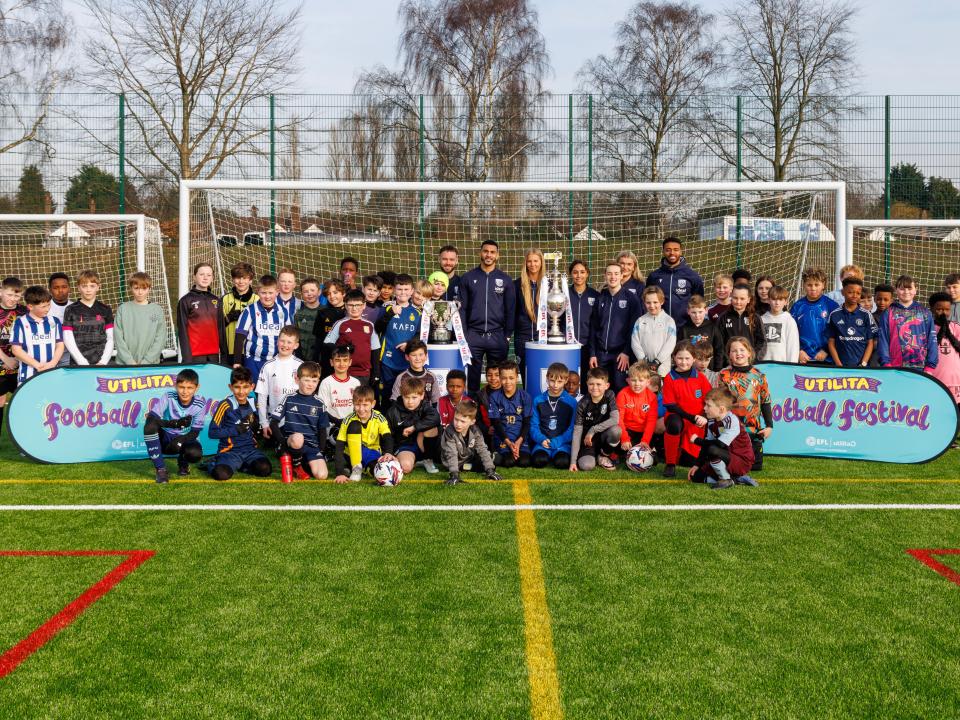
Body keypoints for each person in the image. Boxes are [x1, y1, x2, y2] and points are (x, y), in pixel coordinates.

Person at [459, 240, 515, 394]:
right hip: (473, 336)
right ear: (480, 253)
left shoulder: (505, 280)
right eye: (485, 251)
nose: (488, 255)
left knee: (496, 379)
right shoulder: (468, 278)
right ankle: (473, 406)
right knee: (472, 377)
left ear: (497, 255)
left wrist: (507, 335)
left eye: (492, 252)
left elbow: (510, 310)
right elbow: (462, 309)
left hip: (497, 335)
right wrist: (465, 334)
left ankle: (495, 406)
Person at [207, 366, 272, 481]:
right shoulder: (225, 405)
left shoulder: (254, 403)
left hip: (250, 451)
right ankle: (212, 463)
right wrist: (236, 429)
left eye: (245, 387)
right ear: (230, 387)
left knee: (265, 469)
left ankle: (242, 466)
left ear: (252, 387)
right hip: (229, 452)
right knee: (221, 474)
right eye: (237, 387)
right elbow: (212, 433)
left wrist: (258, 428)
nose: (241, 392)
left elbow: (257, 425)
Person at [718, 337, 773, 471]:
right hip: (731, 430)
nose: (738, 353)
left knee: (755, 467)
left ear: (749, 352)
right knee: (732, 465)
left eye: (742, 350)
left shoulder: (759, 375)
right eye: (734, 351)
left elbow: (765, 401)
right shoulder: (724, 375)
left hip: (753, 431)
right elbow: (719, 403)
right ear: (729, 355)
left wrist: (769, 426)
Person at [143, 368, 206, 483]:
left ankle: (183, 462)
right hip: (166, 437)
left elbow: (195, 432)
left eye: (190, 388)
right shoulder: (168, 396)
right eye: (181, 387)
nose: (185, 391)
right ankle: (161, 470)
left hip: (185, 438)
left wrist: (180, 440)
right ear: (175, 386)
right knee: (149, 426)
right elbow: (151, 418)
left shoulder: (200, 404)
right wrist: (174, 424)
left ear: (197, 388)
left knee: (195, 453)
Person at [661, 341, 713, 478]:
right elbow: (671, 406)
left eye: (687, 358)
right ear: (674, 358)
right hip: (679, 417)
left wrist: (704, 417)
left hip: (697, 422)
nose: (683, 362)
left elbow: (710, 399)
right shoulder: (669, 378)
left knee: (688, 461)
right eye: (680, 358)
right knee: (673, 423)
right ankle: (670, 463)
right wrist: (692, 418)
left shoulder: (700, 377)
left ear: (694, 358)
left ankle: (672, 452)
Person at [270, 361, 329, 481]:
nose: (310, 384)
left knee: (322, 475)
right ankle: (296, 466)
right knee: (298, 438)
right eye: (306, 380)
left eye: (314, 381)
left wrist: (321, 450)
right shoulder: (289, 398)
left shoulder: (319, 403)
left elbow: (323, 429)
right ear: (297, 379)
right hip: (293, 442)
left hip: (311, 445)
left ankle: (303, 461)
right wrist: (282, 442)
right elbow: (273, 422)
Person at [589, 261, 642, 393]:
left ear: (622, 275)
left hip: (621, 355)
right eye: (609, 274)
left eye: (616, 274)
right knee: (600, 388)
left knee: (620, 387)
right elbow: (594, 328)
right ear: (605, 276)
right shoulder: (600, 298)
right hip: (601, 354)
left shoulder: (631, 299)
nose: (613, 277)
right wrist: (593, 354)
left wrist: (626, 352)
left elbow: (634, 329)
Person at [688, 386, 756, 490]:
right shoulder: (712, 421)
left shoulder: (731, 420)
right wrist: (697, 465)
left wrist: (697, 440)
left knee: (712, 449)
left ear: (721, 409)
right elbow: (708, 444)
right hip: (724, 456)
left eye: (708, 405)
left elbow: (720, 444)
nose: (704, 408)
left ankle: (725, 479)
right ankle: (735, 479)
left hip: (741, 461)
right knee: (696, 477)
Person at [333, 384, 395, 483]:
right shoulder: (348, 419)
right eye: (357, 405)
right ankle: (356, 467)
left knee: (379, 472)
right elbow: (339, 445)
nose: (361, 409)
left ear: (373, 404)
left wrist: (388, 452)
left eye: (365, 405)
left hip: (372, 454)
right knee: (354, 425)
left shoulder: (379, 417)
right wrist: (339, 473)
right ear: (353, 403)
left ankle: (364, 468)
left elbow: (387, 436)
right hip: (351, 454)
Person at [877, 275, 938, 370]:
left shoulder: (925, 313)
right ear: (896, 290)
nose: (906, 292)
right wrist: (886, 364)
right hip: (894, 367)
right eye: (902, 289)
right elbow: (883, 341)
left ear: (915, 290)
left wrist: (930, 366)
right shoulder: (888, 313)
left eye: (909, 288)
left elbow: (932, 340)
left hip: (920, 368)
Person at [234, 274, 289, 379]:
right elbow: (239, 337)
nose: (267, 296)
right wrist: (237, 362)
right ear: (258, 292)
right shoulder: (249, 311)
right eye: (264, 293)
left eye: (270, 293)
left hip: (276, 361)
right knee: (254, 388)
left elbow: (290, 336)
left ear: (277, 292)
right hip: (253, 361)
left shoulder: (283, 311)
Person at [377, 274, 420, 402]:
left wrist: (409, 344)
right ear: (394, 290)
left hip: (407, 361)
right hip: (387, 359)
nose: (403, 292)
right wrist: (391, 313)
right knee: (387, 393)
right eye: (400, 289)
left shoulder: (417, 312)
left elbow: (419, 334)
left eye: (406, 289)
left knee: (406, 394)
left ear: (412, 291)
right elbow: (377, 328)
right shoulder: (386, 308)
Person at [385, 375, 441, 475]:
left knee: (432, 428)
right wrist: (388, 452)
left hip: (423, 444)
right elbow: (388, 434)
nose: (410, 402)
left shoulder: (425, 406)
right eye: (406, 397)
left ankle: (428, 459)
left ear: (422, 395)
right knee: (406, 467)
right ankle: (413, 461)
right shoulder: (393, 411)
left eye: (414, 397)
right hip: (405, 446)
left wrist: (414, 427)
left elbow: (436, 418)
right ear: (401, 395)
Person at [10, 285, 63, 386]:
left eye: (48, 305)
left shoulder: (54, 321)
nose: (47, 309)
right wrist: (37, 365)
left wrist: (53, 363)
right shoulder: (20, 323)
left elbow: (60, 345)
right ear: (30, 306)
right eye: (43, 306)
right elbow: (16, 350)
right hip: (28, 374)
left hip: (51, 371)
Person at [325, 289, 381, 386]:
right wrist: (343, 348)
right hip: (344, 372)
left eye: (358, 305)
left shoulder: (369, 325)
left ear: (364, 305)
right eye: (351, 305)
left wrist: (376, 372)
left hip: (364, 373)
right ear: (346, 305)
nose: (354, 308)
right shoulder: (340, 324)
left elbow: (375, 349)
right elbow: (327, 344)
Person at [646, 237, 704, 329]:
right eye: (668, 250)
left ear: (681, 251)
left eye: (676, 250)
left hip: (685, 328)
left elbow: (699, 301)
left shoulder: (692, 276)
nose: (672, 253)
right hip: (659, 327)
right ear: (663, 251)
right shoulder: (654, 276)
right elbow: (647, 301)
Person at [569, 367, 620, 471]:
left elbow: (615, 419)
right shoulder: (582, 404)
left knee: (616, 431)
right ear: (587, 384)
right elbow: (577, 433)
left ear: (606, 386)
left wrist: (593, 430)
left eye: (598, 384)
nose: (594, 387)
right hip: (587, 441)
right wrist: (573, 462)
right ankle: (594, 456)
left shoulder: (609, 395)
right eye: (591, 384)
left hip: (603, 436)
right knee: (586, 466)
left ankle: (603, 455)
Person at [441, 399, 501, 486]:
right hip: (454, 463)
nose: (458, 424)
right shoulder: (449, 431)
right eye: (456, 419)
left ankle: (483, 468)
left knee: (495, 459)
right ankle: (462, 469)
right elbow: (451, 454)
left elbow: (482, 449)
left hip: (468, 458)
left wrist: (490, 470)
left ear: (472, 422)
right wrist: (454, 474)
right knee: (479, 466)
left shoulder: (475, 430)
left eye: (462, 421)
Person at [529, 362, 577, 470]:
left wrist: (559, 441)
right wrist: (541, 439)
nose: (555, 385)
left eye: (559, 381)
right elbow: (533, 426)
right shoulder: (538, 400)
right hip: (542, 442)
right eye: (552, 380)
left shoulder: (572, 402)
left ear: (566, 380)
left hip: (562, 443)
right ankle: (544, 451)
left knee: (562, 462)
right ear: (547, 378)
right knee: (538, 461)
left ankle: (558, 453)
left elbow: (572, 428)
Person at [256, 325, 303, 436]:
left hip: (297, 419)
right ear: (277, 342)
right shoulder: (268, 366)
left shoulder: (301, 365)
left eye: (289, 342)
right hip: (275, 421)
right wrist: (264, 423)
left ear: (296, 345)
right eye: (282, 341)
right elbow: (262, 397)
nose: (285, 345)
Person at [63, 269, 114, 367]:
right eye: (84, 286)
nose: (88, 290)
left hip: (102, 364)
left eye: (92, 286)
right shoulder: (70, 309)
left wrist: (103, 361)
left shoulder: (105, 309)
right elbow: (68, 338)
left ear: (98, 287)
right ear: (78, 288)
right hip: (79, 364)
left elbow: (111, 338)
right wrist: (82, 362)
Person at [114, 272, 166, 365]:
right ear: (131, 288)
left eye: (144, 288)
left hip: (150, 365)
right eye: (136, 288)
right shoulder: (123, 309)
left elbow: (160, 338)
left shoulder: (157, 310)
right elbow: (118, 338)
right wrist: (129, 361)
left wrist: (147, 361)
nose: (140, 292)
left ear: (149, 288)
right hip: (124, 365)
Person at [487, 360, 532, 468]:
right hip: (503, 439)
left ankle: (517, 449)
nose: (507, 382)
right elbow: (496, 423)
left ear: (517, 378)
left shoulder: (525, 396)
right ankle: (497, 453)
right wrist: (509, 443)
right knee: (508, 462)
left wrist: (518, 442)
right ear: (500, 378)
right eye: (504, 378)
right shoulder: (494, 397)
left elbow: (527, 423)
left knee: (524, 462)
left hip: (520, 439)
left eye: (511, 378)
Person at [178, 263, 226, 364]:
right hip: (194, 356)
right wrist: (187, 358)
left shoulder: (216, 300)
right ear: (194, 277)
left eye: (209, 275)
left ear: (212, 278)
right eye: (201, 274)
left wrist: (224, 356)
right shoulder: (185, 300)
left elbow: (221, 329)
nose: (205, 278)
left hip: (214, 356)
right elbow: (182, 331)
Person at [790, 267, 839, 364]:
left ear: (823, 285)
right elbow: (791, 332)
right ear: (804, 285)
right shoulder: (797, 306)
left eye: (817, 285)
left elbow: (838, 331)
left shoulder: (832, 306)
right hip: (804, 357)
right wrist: (799, 350)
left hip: (826, 358)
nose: (813, 288)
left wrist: (826, 350)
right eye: (809, 285)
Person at [826, 277, 877, 368]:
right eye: (850, 292)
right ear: (843, 292)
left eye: (858, 293)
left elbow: (870, 342)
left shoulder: (866, 315)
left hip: (861, 367)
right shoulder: (834, 315)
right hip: (840, 366)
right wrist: (838, 364)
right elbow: (831, 342)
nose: (854, 295)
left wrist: (863, 363)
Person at [317, 345, 361, 446]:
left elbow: (358, 407)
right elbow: (322, 409)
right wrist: (337, 422)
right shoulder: (326, 382)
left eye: (345, 360)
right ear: (331, 362)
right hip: (332, 424)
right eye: (337, 360)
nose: (341, 364)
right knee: (336, 440)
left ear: (350, 362)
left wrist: (348, 422)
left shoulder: (356, 383)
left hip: (350, 424)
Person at [630, 286, 677, 378]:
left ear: (662, 301)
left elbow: (670, 343)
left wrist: (658, 361)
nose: (652, 306)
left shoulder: (669, 321)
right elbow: (635, 342)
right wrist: (643, 360)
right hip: (644, 367)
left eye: (655, 302)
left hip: (662, 367)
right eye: (648, 303)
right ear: (644, 303)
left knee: (661, 387)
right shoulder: (640, 321)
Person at [0, 277, 26, 434]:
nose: (13, 299)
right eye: (9, 294)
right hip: (2, 365)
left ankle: (25, 438)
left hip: (21, 364)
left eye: (17, 295)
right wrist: (5, 359)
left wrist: (18, 357)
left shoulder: (24, 312)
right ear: (1, 292)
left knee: (24, 399)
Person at [717, 285, 766, 366]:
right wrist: (727, 360)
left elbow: (762, 341)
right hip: (729, 365)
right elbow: (719, 343)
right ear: (731, 297)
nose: (738, 302)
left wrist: (753, 358)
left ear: (748, 299)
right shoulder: (723, 317)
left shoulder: (755, 317)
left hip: (750, 364)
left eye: (742, 299)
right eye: (735, 298)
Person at [567, 259, 599, 384]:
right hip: (568, 346)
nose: (579, 275)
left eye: (582, 272)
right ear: (571, 274)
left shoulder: (595, 295)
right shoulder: (564, 294)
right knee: (569, 380)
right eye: (575, 272)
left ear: (587, 274)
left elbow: (596, 325)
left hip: (587, 346)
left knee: (586, 381)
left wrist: (593, 350)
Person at [617, 362, 658, 457]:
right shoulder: (622, 394)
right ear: (628, 380)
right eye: (633, 380)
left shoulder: (652, 397)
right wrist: (625, 438)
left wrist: (645, 440)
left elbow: (651, 421)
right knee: (625, 452)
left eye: (641, 380)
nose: (637, 384)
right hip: (627, 431)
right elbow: (619, 419)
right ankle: (616, 452)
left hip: (643, 432)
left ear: (648, 382)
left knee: (652, 459)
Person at [927, 292, 960, 408]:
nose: (943, 313)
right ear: (932, 309)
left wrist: (948, 332)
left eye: (947, 309)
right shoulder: (928, 327)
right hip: (935, 378)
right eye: (939, 309)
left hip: (955, 380)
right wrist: (941, 331)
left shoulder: (956, 327)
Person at [390, 339, 442, 405]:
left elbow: (436, 402)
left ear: (426, 356)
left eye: (421, 355)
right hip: (406, 411)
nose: (417, 358)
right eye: (414, 355)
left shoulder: (431, 377)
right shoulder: (401, 377)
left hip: (426, 411)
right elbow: (394, 401)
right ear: (407, 357)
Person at [222, 262, 258, 356]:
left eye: (245, 278)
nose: (241, 282)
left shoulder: (257, 300)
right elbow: (217, 327)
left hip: (251, 352)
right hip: (229, 351)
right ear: (233, 279)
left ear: (250, 280)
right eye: (238, 278)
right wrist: (228, 318)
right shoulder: (224, 299)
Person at [680, 295, 724, 371]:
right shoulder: (684, 329)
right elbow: (680, 351)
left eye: (700, 312)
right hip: (690, 371)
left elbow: (719, 350)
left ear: (706, 310)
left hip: (709, 370)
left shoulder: (713, 328)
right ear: (688, 311)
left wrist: (718, 368)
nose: (697, 316)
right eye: (693, 312)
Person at [313, 279, 346, 374]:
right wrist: (315, 359)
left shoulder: (349, 312)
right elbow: (318, 339)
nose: (332, 296)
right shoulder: (322, 313)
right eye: (328, 294)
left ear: (343, 293)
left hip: (344, 358)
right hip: (326, 358)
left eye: (335, 292)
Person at [761, 285, 800, 363]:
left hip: (782, 364)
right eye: (774, 299)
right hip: (763, 364)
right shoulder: (761, 319)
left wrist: (792, 366)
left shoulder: (789, 320)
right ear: (768, 300)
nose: (777, 303)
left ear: (786, 302)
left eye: (780, 299)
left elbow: (793, 346)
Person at [294, 277, 322, 361]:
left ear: (319, 292)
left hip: (321, 359)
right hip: (303, 359)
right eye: (306, 291)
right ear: (301, 294)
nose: (309, 294)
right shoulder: (299, 314)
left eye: (312, 290)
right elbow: (297, 338)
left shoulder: (326, 312)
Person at [476, 362, 501, 449]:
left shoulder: (508, 392)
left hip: (505, 432)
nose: (493, 378)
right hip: (485, 433)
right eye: (489, 375)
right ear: (486, 376)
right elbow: (476, 418)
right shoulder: (480, 395)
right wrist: (486, 429)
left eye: (497, 375)